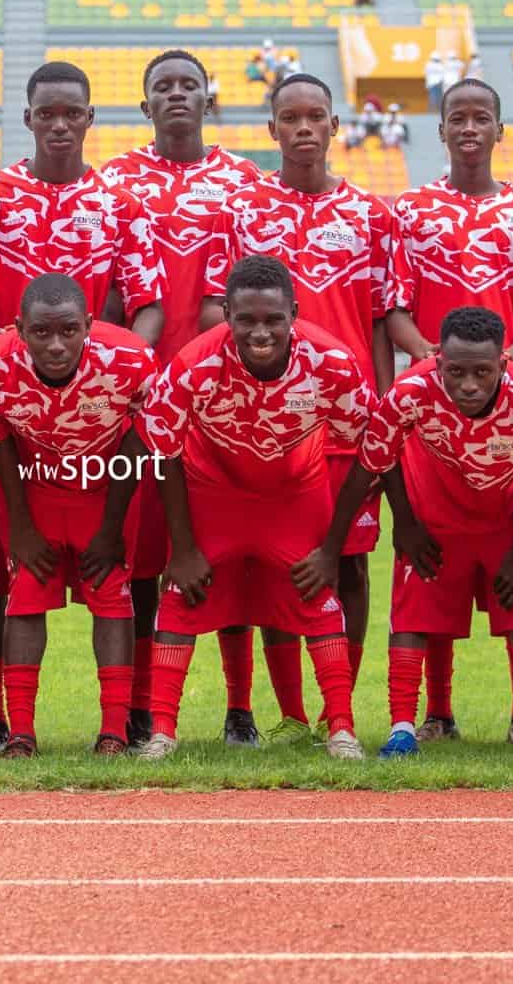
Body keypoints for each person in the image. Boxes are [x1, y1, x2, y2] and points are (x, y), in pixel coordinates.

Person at [0, 59, 164, 747]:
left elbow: (148, 307)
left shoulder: (120, 201)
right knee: (3, 572)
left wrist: (111, 372)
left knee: (126, 572)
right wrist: (3, 367)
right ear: (29, 118)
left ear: (91, 118)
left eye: (74, 112)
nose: (61, 124)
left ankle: (131, 713)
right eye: (48, 113)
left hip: (102, 430)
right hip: (10, 421)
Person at [203, 73, 399, 745]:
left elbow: (378, 320)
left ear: (336, 125)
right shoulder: (240, 210)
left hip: (345, 417)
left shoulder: (372, 215)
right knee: (268, 560)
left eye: (317, 116)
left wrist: (379, 404)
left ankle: (336, 711)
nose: (305, 128)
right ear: (272, 130)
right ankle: (286, 711)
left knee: (348, 559)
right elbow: (215, 310)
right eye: (291, 118)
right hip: (264, 420)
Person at [139, 255, 373, 761]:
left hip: (294, 492)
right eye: (246, 319)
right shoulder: (191, 365)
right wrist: (183, 548)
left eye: (273, 318)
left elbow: (368, 453)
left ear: (294, 311)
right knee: (183, 594)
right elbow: (164, 452)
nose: (260, 331)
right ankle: (162, 733)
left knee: (315, 596)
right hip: (213, 489)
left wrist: (332, 548)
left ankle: (341, 729)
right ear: (226, 314)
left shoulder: (334, 363)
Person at [389, 77, 513, 745]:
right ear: (439, 130)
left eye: (479, 117)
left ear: (498, 129)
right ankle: (435, 712)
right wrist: (437, 368)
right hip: (431, 410)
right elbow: (396, 307)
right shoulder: (411, 209)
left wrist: (507, 367)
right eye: (455, 117)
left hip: (505, 399)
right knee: (431, 554)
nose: (468, 127)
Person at [98, 50, 262, 746]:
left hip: (220, 403)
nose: (174, 95)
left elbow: (259, 295)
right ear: (144, 106)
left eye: (186, 85)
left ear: (206, 99)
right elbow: (106, 290)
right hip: (138, 399)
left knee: (227, 556)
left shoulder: (243, 182)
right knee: (141, 559)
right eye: (161, 87)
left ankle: (239, 708)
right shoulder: (113, 183)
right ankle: (137, 707)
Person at [336, 306, 513, 762]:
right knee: (414, 616)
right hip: (433, 520)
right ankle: (402, 728)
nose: (468, 384)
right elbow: (374, 462)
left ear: (503, 365)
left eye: (482, 372)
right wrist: (403, 523)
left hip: (503, 525)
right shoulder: (409, 394)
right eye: (456, 371)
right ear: (439, 363)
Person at [0, 274, 157, 756]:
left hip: (107, 485)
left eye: (68, 330)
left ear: (88, 324)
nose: (56, 345)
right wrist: (19, 525)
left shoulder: (131, 359)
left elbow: (146, 435)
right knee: (26, 596)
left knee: (111, 595)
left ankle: (114, 731)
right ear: (19, 329)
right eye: (41, 333)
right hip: (34, 487)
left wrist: (111, 528)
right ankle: (21, 731)